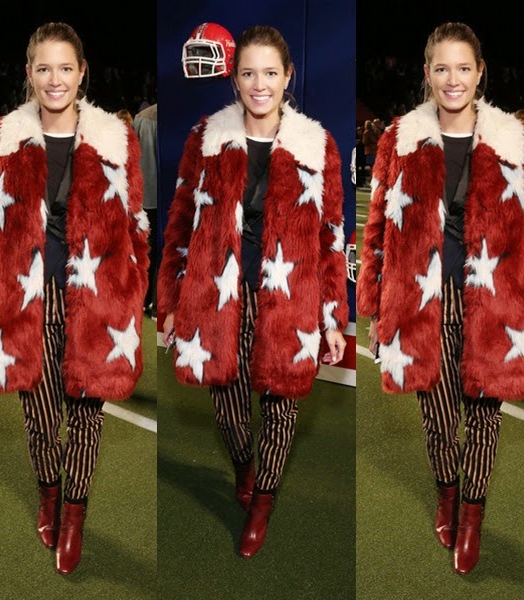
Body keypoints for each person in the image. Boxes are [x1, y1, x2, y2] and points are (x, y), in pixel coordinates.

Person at [0, 22, 149, 575]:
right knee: (40, 416)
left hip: (98, 300)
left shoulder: (116, 138)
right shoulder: (1, 139)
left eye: (66, 67)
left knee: (87, 415)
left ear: (83, 72)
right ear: (29, 73)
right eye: (44, 68)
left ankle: (74, 515)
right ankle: (48, 494)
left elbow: (136, 224)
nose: (55, 78)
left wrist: (131, 298)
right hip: (25, 300)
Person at [357, 22, 524, 575]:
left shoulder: (514, 138)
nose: (453, 79)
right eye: (442, 68)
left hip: (497, 300)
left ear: (480, 72)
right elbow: (377, 229)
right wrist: (377, 305)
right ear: (426, 73)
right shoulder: (400, 138)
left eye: (464, 67)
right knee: (438, 416)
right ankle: (447, 494)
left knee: (486, 415)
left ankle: (472, 515)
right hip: (424, 299)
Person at [157, 24, 348, 558]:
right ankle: (245, 465)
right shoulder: (206, 138)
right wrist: (170, 302)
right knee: (229, 410)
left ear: (289, 77)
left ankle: (263, 502)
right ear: (234, 79)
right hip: (219, 297)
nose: (259, 84)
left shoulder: (317, 145)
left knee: (283, 408)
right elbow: (179, 223)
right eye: (248, 73)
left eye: (270, 73)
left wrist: (333, 316)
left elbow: (331, 235)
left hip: (291, 300)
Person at [133, 103, 158, 318]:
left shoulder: (141, 118)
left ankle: (143, 300)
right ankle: (155, 304)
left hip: (145, 195)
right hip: (159, 195)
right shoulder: (144, 118)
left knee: (144, 250)